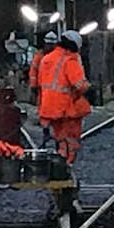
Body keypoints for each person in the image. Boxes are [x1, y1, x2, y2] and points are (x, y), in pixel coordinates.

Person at [38, 30, 92, 164]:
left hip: (49, 106)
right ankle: (68, 163)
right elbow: (79, 84)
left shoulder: (46, 58)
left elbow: (41, 82)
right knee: (71, 137)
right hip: (66, 107)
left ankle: (61, 159)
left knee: (60, 136)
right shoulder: (70, 60)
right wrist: (88, 88)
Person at [29, 32, 59, 104]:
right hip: (42, 88)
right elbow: (33, 71)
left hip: (56, 89)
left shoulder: (60, 56)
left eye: (52, 45)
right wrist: (33, 85)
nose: (50, 47)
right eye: (49, 44)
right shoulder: (39, 56)